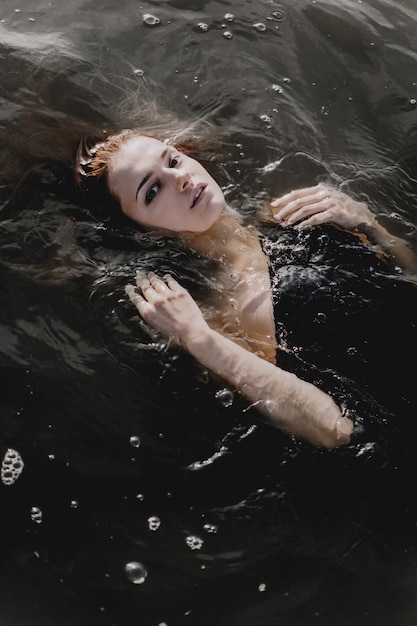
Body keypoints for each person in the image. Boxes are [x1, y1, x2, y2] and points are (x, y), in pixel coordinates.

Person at [76, 129, 417, 450]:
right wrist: (199, 339)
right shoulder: (220, 319)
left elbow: (405, 278)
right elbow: (336, 430)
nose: (179, 179)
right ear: (140, 232)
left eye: (173, 160)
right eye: (152, 191)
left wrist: (368, 223)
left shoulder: (288, 213)